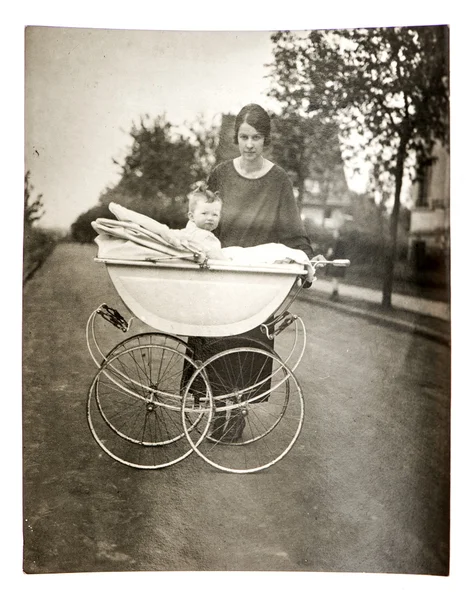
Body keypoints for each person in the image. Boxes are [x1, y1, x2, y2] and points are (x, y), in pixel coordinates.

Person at [186, 103, 318, 443]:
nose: (249, 145)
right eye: (244, 137)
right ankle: (216, 410)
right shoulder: (221, 174)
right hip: (220, 273)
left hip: (256, 278)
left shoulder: (279, 181)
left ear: (266, 139)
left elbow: (292, 229)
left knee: (246, 344)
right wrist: (196, 245)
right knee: (215, 342)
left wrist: (307, 260)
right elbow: (204, 218)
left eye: (256, 137)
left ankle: (236, 413)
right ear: (236, 138)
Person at [325, 228, 347, 300]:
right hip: (341, 262)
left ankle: (335, 294)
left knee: (334, 278)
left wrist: (328, 255)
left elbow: (331, 252)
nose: (333, 234)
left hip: (335, 262)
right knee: (336, 279)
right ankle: (335, 294)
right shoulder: (343, 242)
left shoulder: (336, 242)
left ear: (338, 233)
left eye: (335, 233)